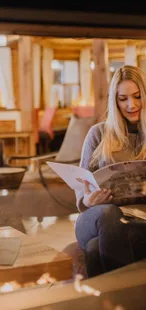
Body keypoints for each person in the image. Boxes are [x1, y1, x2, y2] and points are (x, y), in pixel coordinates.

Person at [75, 65, 146, 277]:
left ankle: (115, 300)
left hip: (138, 222)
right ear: (114, 101)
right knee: (108, 213)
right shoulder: (98, 134)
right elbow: (81, 189)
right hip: (95, 216)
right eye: (122, 99)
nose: (131, 105)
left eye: (137, 96)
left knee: (96, 249)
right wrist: (89, 199)